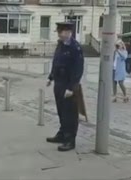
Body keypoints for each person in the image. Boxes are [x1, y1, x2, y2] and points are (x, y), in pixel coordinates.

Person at [46, 22, 84, 152]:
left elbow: (78, 69)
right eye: (58, 32)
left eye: (61, 32)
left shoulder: (75, 47)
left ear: (68, 32)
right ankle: (62, 134)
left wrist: (71, 87)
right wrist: (51, 77)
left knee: (70, 113)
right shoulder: (61, 45)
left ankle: (70, 139)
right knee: (61, 110)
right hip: (59, 82)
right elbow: (56, 62)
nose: (59, 34)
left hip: (68, 84)